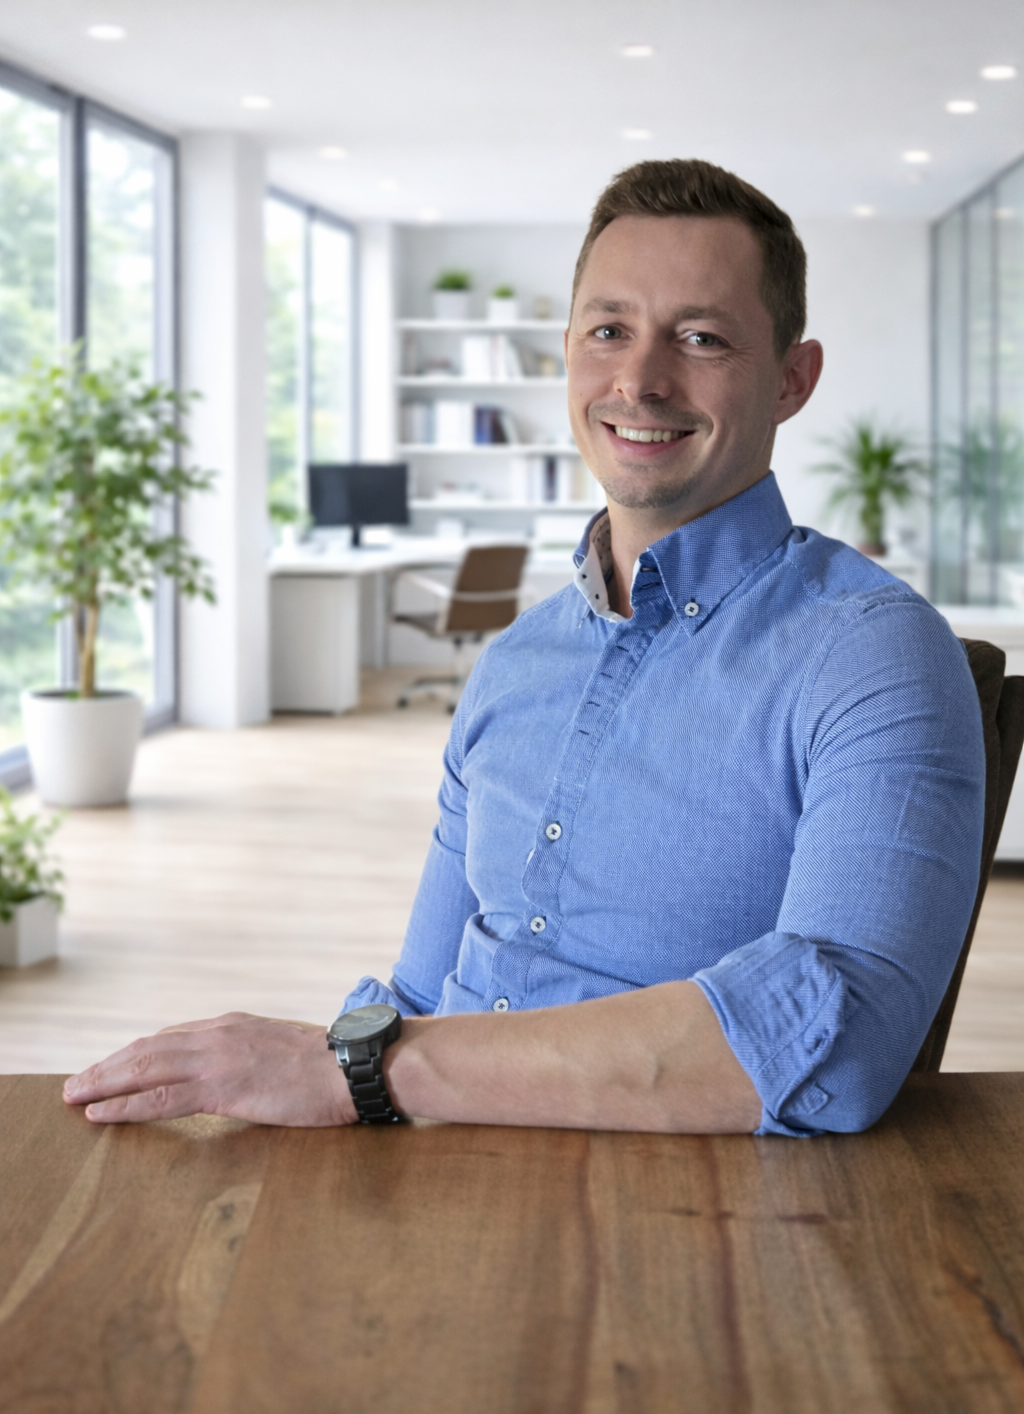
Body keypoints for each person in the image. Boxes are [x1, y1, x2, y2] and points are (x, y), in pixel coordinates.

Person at [64, 159, 985, 1137]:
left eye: (702, 338)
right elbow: (418, 994)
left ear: (792, 380)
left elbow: (838, 1048)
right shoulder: (514, 663)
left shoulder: (871, 654)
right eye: (608, 331)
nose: (639, 378)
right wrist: (348, 1074)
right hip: (432, 1191)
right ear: (568, 354)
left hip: (692, 1230)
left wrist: (366, 1068)